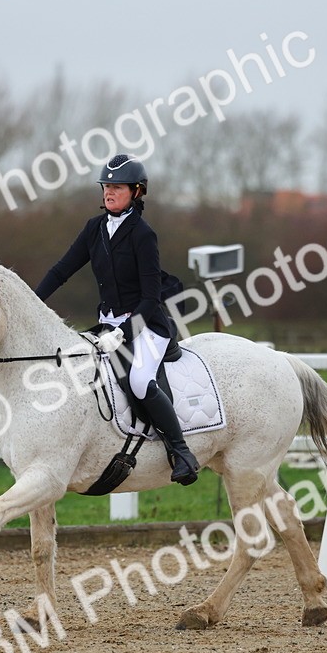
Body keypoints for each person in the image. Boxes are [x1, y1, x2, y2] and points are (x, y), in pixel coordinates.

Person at [35, 154, 200, 485]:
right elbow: (61, 270)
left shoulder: (143, 235)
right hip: (107, 325)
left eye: (117, 187)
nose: (108, 192)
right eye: (106, 186)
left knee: (139, 381)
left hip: (147, 325)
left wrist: (125, 333)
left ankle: (181, 452)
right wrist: (32, 302)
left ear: (137, 192)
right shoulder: (94, 229)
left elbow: (151, 300)